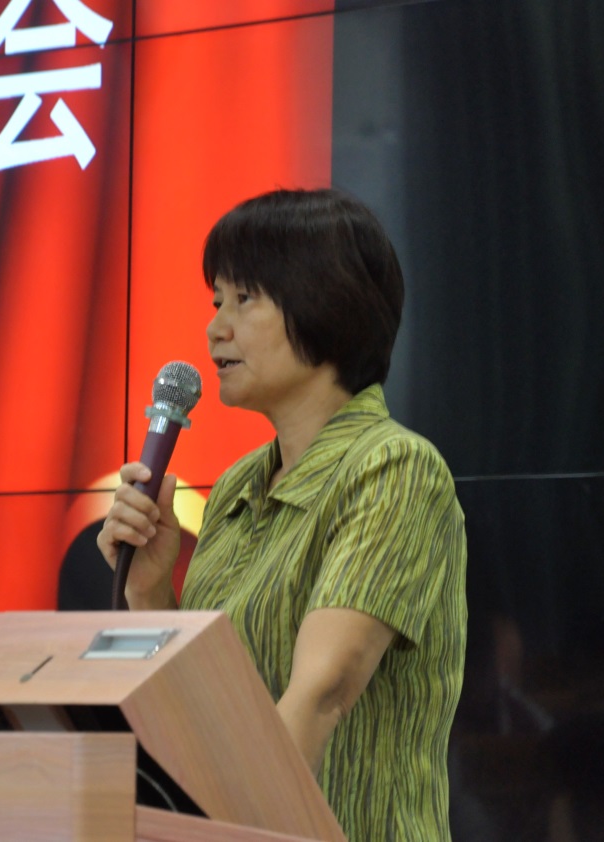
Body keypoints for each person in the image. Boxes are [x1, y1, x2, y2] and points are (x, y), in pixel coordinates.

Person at [97, 188, 467, 841]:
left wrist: (222, 832)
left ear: (326, 302)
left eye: (244, 298)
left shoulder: (394, 467)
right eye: (216, 301)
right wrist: (150, 592)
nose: (215, 328)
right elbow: (197, 715)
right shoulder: (239, 486)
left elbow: (322, 695)